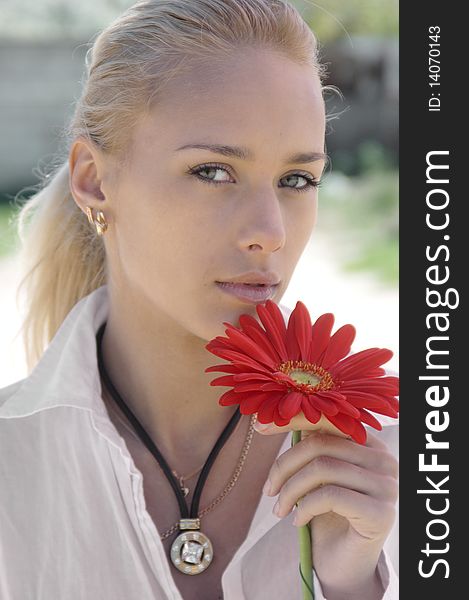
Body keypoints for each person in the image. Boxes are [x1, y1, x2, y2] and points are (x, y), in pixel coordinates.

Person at [0, 1, 398, 599]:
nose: (270, 231)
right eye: (213, 171)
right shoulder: (13, 466)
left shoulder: (391, 460)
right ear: (94, 179)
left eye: (297, 180)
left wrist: (352, 585)